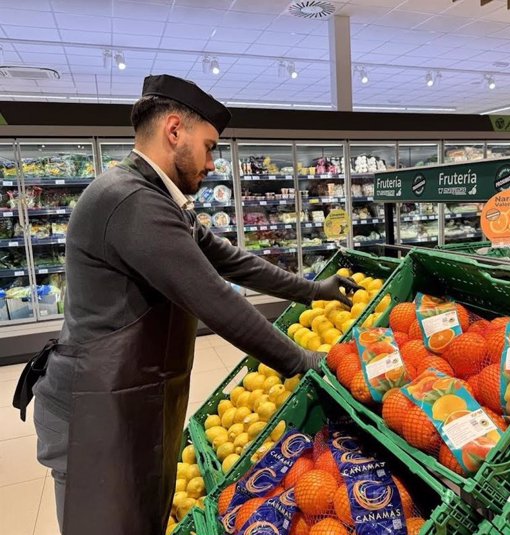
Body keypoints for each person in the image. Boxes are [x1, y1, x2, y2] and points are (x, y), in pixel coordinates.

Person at [13, 74, 359, 535]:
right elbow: (215, 298)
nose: (213, 163)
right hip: (96, 415)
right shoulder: (132, 201)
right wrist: (305, 359)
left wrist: (314, 289)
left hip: (129, 403)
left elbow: (232, 262)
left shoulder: (158, 199)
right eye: (210, 146)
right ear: (174, 131)